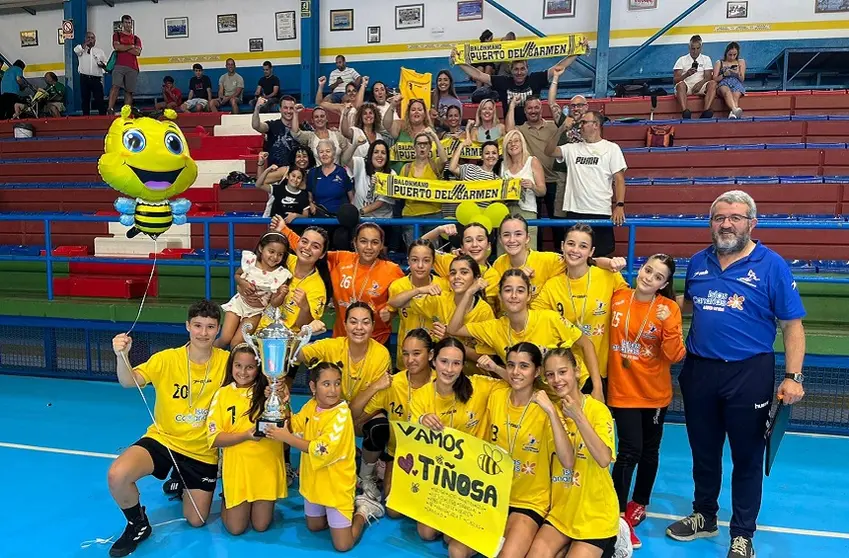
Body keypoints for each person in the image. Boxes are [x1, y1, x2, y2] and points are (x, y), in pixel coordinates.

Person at [666, 190, 806, 558]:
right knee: (703, 451)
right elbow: (685, 307)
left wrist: (794, 376)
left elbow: (792, 326)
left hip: (749, 374)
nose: (726, 223)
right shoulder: (697, 262)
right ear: (711, 223)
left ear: (751, 223)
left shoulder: (772, 265)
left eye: (735, 217)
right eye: (719, 218)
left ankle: (742, 534)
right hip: (699, 371)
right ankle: (704, 515)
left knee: (746, 456)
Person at [107, 301, 228, 557]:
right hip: (163, 440)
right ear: (187, 326)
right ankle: (137, 523)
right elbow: (129, 382)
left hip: (202, 451)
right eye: (197, 326)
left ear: (218, 330)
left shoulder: (227, 363)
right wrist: (122, 356)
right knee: (117, 475)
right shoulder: (166, 359)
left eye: (210, 327)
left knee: (196, 520)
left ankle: (179, 482)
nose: (203, 333)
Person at [448, 343, 567, 558]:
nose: (515, 372)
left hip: (529, 502)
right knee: (455, 550)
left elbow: (566, 459)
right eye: (511, 365)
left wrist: (551, 411)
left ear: (537, 371)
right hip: (492, 495)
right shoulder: (496, 396)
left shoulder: (547, 409)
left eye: (524, 366)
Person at [607, 254, 685, 549]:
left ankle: (639, 502)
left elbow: (675, 355)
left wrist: (667, 327)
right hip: (622, 390)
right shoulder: (618, 296)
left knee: (650, 450)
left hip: (654, 394)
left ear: (664, 284)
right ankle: (616, 515)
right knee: (629, 451)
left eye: (657, 276)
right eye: (647, 270)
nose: (648, 277)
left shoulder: (668, 309)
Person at [269, 362, 385, 552]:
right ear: (313, 387)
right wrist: (284, 403)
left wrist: (287, 439)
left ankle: (364, 510)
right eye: (326, 384)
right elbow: (297, 425)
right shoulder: (311, 405)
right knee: (314, 527)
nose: (333, 390)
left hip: (336, 487)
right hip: (314, 484)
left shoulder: (341, 414)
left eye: (337, 383)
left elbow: (322, 449)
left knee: (343, 545)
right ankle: (335, 516)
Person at [448, 268, 603, 400]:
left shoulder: (550, 318)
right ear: (500, 297)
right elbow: (453, 329)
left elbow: (586, 344)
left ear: (528, 296)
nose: (514, 296)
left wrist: (597, 387)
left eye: (520, 291)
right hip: (543, 398)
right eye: (508, 290)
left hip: (577, 390)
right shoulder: (494, 328)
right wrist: (469, 293)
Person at [410, 337, 506, 541]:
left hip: (474, 477)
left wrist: (496, 368)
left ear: (463, 365)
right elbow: (412, 438)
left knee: (450, 541)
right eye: (444, 361)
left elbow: (516, 382)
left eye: (456, 363)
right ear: (433, 360)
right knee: (426, 533)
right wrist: (421, 419)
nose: (449, 369)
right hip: (442, 477)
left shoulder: (479, 386)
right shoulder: (421, 396)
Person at [529, 348, 622, 558]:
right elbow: (568, 462)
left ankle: (615, 539)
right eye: (550, 374)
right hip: (563, 512)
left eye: (563, 372)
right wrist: (553, 414)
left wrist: (578, 416)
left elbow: (604, 459)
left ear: (577, 371)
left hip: (595, 515)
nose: (557, 380)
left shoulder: (598, 410)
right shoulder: (550, 410)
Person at [532, 223, 628, 397]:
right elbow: (534, 318)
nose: (575, 250)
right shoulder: (552, 285)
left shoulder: (608, 276)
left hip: (606, 368)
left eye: (583, 246)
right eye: (571, 244)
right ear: (562, 246)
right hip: (570, 374)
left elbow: (631, 304)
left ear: (591, 252)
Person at [273, 221, 404, 344]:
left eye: (375, 242)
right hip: (341, 341)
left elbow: (406, 296)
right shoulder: (340, 259)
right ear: (355, 243)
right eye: (363, 241)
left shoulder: (392, 270)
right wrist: (284, 230)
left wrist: (392, 312)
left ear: (381, 245)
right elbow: (311, 250)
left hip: (376, 341)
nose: (369, 247)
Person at [349, 328, 436, 508]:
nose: (410, 360)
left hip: (432, 456)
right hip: (399, 453)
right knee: (393, 508)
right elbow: (355, 413)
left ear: (430, 354)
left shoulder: (441, 382)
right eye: (405, 354)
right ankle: (378, 467)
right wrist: (375, 387)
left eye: (417, 353)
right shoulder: (394, 383)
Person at [206, 345, 287, 535]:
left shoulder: (268, 393)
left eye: (250, 367)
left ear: (259, 368)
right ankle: (228, 496)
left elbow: (285, 427)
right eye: (238, 365)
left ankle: (261, 501)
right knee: (236, 529)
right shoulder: (222, 394)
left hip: (265, 466)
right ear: (231, 366)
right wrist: (245, 435)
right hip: (238, 468)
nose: (243, 372)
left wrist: (282, 397)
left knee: (261, 526)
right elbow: (214, 438)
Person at [390, 254, 496, 376]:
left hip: (472, 377)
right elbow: (395, 302)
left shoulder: (484, 311)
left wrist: (449, 341)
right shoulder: (442, 299)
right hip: (442, 376)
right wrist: (420, 290)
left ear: (476, 278)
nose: (457, 277)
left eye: (464, 272)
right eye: (453, 272)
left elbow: (488, 359)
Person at [547, 111, 627, 258]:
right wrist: (561, 129)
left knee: (601, 256)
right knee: (575, 255)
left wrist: (619, 205)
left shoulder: (611, 148)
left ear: (595, 125)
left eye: (584, 122)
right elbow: (549, 151)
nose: (580, 125)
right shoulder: (572, 148)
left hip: (600, 210)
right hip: (575, 210)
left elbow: (619, 179)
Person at [452, 46, 585, 126]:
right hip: (512, 128)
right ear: (511, 70)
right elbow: (478, 75)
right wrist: (458, 62)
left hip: (532, 128)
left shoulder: (535, 79)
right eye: (516, 69)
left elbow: (559, 67)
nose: (519, 72)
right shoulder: (503, 82)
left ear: (527, 69)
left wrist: (578, 51)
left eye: (522, 68)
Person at [216, 232, 292, 349]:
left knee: (236, 343)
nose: (275, 257)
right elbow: (237, 274)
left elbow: (274, 303)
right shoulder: (250, 262)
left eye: (280, 254)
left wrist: (282, 294)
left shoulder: (281, 274)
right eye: (271, 251)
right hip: (238, 304)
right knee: (225, 338)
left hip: (256, 312)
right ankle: (206, 356)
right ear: (261, 248)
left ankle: (232, 365)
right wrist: (243, 283)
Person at [507, 94, 563, 249]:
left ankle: (561, 255)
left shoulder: (553, 126)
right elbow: (509, 132)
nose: (533, 111)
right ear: (525, 111)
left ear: (541, 108)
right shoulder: (522, 129)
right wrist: (511, 106)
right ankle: (535, 254)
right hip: (531, 183)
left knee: (557, 223)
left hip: (553, 181)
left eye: (536, 107)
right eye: (529, 108)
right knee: (533, 223)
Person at [385, 240, 448, 369]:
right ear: (408, 260)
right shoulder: (398, 286)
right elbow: (392, 307)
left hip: (436, 353)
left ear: (433, 262)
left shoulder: (445, 285)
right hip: (407, 355)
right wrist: (418, 291)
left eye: (426, 260)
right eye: (414, 260)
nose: (420, 265)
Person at [397, 128, 448, 246]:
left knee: (433, 253)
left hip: (433, 215)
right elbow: (397, 191)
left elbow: (444, 159)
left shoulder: (434, 165)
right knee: (413, 251)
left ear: (430, 147)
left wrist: (434, 136)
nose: (422, 147)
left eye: (425, 144)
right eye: (419, 144)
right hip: (410, 216)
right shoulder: (406, 168)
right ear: (414, 147)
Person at [502, 130, 546, 250]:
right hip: (507, 211)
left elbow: (542, 191)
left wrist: (532, 186)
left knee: (528, 250)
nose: (513, 144)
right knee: (506, 249)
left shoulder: (532, 161)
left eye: (516, 141)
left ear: (522, 144)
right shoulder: (503, 165)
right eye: (509, 142)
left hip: (527, 211)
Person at [341, 138, 396, 219]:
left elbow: (380, 202)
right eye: (376, 152)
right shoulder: (361, 164)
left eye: (383, 153)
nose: (379, 155)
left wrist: (359, 212)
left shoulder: (392, 174)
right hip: (360, 219)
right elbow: (345, 159)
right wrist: (355, 144)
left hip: (382, 220)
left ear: (387, 157)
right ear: (370, 155)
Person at [253, 95, 303, 183]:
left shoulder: (302, 128)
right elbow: (256, 126)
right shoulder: (272, 125)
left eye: (291, 108)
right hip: (275, 175)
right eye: (285, 108)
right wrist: (257, 108)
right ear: (280, 109)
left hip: (296, 177)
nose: (288, 111)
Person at [305, 140, 354, 214]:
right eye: (321, 152)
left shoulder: (342, 172)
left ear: (333, 153)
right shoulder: (313, 173)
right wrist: (310, 204)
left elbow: (351, 197)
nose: (324, 154)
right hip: (319, 218)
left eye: (328, 151)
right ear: (318, 155)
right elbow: (309, 197)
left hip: (340, 218)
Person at [673, 35, 717, 119]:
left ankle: (706, 112)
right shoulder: (682, 60)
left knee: (713, 83)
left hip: (701, 85)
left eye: (698, 48)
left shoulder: (706, 59)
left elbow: (708, 77)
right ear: (689, 48)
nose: (695, 51)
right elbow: (675, 80)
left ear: (701, 48)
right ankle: (685, 112)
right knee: (680, 85)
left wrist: (700, 84)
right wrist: (686, 74)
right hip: (687, 86)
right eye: (693, 49)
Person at [108, 14, 142, 114]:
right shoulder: (117, 35)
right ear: (122, 24)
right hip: (119, 65)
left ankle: (127, 111)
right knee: (115, 86)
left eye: (130, 22)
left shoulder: (136, 38)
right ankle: (110, 109)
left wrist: (124, 47)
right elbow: (117, 47)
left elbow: (137, 52)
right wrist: (131, 46)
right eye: (126, 22)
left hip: (133, 67)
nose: (128, 25)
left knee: (129, 91)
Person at [74, 32, 107, 116]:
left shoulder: (99, 51)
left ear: (95, 40)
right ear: (85, 39)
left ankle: (102, 117)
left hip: (96, 78)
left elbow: (106, 63)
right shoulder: (80, 49)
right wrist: (85, 45)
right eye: (88, 37)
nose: (90, 39)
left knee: (99, 99)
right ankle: (86, 118)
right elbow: (76, 50)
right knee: (85, 99)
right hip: (84, 78)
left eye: (92, 38)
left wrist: (102, 65)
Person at [714, 42, 746, 119]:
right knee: (727, 92)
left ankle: (732, 114)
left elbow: (742, 79)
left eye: (734, 55)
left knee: (735, 97)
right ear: (726, 53)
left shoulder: (741, 62)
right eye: (730, 55)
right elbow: (715, 78)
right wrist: (725, 74)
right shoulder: (719, 62)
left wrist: (737, 73)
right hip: (723, 82)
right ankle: (735, 110)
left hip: (736, 82)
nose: (732, 57)